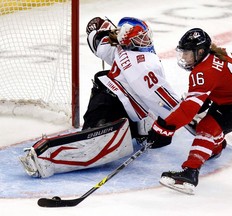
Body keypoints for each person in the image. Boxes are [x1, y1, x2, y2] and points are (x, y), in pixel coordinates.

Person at [19, 16, 182, 178]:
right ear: (129, 40)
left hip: (122, 103)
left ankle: (138, 129)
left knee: (150, 128)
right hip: (107, 104)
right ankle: (41, 155)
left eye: (146, 36)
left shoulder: (121, 48)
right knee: (91, 145)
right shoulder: (142, 65)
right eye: (141, 38)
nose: (146, 41)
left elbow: (98, 41)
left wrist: (100, 28)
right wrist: (178, 119)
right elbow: (170, 106)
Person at [147, 28, 232, 194]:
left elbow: (188, 110)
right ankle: (215, 146)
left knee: (206, 127)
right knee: (200, 118)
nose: (183, 57)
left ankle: (189, 174)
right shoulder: (214, 56)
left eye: (187, 53)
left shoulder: (205, 71)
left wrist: (164, 127)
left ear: (200, 52)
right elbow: (225, 80)